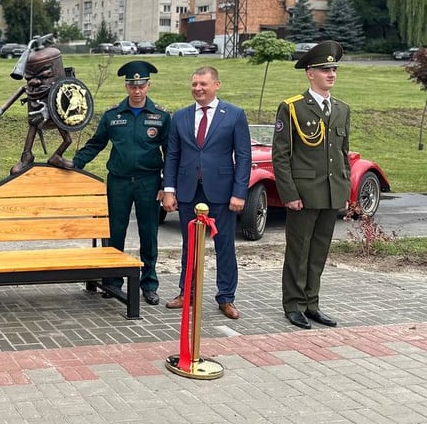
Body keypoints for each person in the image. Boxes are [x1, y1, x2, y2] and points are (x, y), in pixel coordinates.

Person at [72, 60, 170, 305]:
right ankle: (113, 281)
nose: (137, 91)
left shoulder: (161, 116)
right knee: (116, 231)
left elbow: (170, 153)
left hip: (149, 182)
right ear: (126, 86)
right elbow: (96, 143)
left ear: (148, 86)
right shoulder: (113, 115)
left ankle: (149, 284)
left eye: (141, 86)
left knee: (149, 232)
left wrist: (166, 185)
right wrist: (75, 163)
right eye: (132, 86)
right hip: (119, 182)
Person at [271, 41, 349, 329]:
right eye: (325, 69)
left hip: (331, 193)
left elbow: (343, 154)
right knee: (299, 252)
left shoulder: (341, 109)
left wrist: (344, 190)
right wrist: (289, 194)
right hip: (303, 194)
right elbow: (280, 156)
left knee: (318, 252)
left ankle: (311, 303)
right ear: (310, 73)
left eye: (333, 69)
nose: (331, 74)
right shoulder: (292, 108)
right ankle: (293, 305)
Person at [162, 66, 250, 319]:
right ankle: (186, 293)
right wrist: (169, 190)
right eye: (194, 84)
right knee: (189, 246)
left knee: (225, 246)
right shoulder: (180, 116)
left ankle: (226, 297)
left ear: (216, 85)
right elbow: (173, 156)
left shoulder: (234, 114)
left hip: (221, 192)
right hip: (188, 191)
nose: (198, 89)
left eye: (203, 84)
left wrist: (239, 192)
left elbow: (243, 157)